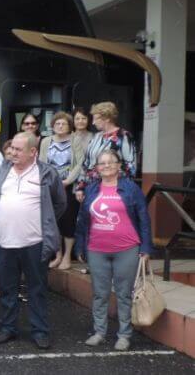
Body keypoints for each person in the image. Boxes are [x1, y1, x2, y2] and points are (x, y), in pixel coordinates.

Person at [0, 132, 66, 349]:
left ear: (33, 152)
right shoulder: (2, 170)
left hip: (34, 243)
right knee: (7, 289)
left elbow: (59, 204)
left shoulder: (47, 173)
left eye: (18, 149)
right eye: (12, 148)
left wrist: (44, 222)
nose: (13, 152)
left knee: (37, 288)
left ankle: (39, 331)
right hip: (3, 243)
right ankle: (8, 328)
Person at [75, 150, 153, 351]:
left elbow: (144, 219)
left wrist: (145, 248)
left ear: (120, 166)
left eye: (111, 162)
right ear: (97, 168)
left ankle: (124, 335)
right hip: (96, 249)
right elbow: (83, 221)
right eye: (102, 163)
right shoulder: (91, 189)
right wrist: (80, 245)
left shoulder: (131, 189)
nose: (107, 165)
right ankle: (99, 332)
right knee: (99, 294)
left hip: (127, 249)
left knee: (124, 293)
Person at [39, 112, 85, 270]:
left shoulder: (75, 140)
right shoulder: (46, 141)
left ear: (69, 126)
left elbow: (79, 163)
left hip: (68, 186)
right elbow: (42, 163)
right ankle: (57, 255)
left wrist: (67, 181)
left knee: (68, 220)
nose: (60, 126)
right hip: (50, 187)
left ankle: (67, 256)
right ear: (52, 125)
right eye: (57, 123)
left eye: (64, 124)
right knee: (53, 221)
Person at [76, 102, 138, 200]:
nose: (93, 122)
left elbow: (130, 168)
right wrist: (80, 187)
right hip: (91, 189)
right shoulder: (96, 137)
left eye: (96, 119)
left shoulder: (124, 136)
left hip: (114, 191)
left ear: (107, 118)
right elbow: (86, 163)